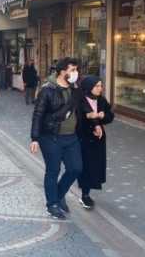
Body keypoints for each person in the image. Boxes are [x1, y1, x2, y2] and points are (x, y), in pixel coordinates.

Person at [30, 57, 82, 220]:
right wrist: (35, 138)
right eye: (72, 70)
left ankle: (58, 194)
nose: (75, 73)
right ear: (62, 71)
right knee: (53, 170)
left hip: (71, 137)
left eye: (76, 70)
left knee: (76, 168)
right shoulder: (48, 89)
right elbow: (38, 114)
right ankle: (52, 204)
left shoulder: (74, 88)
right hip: (51, 137)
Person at [76, 76, 114, 210]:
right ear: (88, 87)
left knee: (94, 167)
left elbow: (110, 116)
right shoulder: (79, 100)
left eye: (101, 86)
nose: (100, 88)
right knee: (83, 167)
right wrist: (88, 118)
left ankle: (86, 193)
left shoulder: (102, 100)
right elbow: (75, 118)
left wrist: (104, 116)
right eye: (97, 86)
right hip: (82, 139)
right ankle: (84, 195)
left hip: (97, 140)